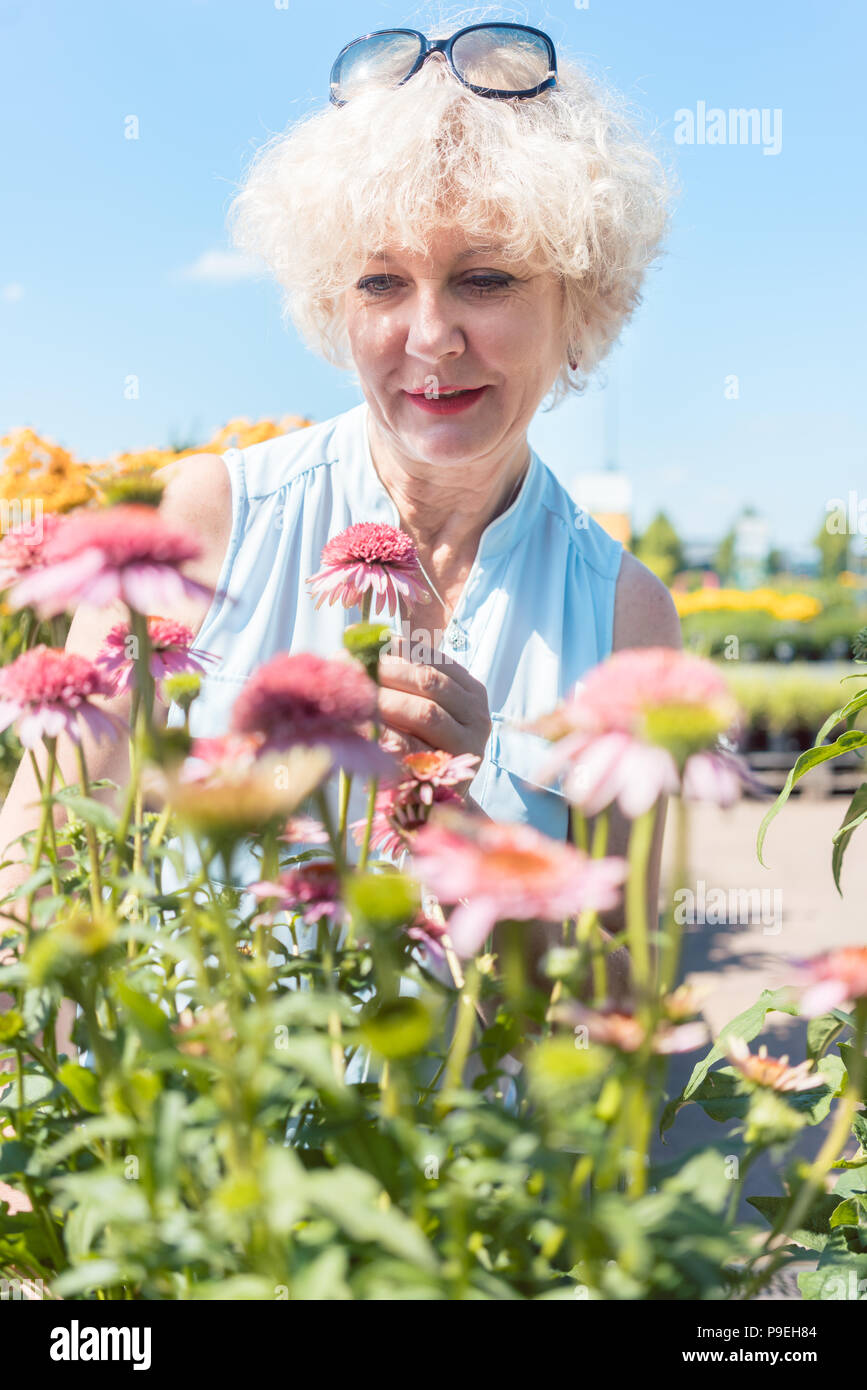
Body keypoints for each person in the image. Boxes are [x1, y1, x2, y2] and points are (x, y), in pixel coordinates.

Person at [0, 12, 681, 1034]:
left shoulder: (628, 615)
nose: (429, 335)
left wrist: (473, 836)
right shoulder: (209, 513)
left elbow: (617, 998)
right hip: (201, 1159)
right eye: (380, 282)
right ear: (333, 301)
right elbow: (31, 864)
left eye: (485, 278)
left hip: (471, 1182)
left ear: (579, 297)